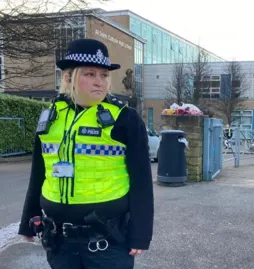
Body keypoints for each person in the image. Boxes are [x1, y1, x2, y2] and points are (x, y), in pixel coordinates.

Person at [17, 38, 154, 269]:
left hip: (107, 240)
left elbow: (141, 181)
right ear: (69, 77)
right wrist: (27, 218)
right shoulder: (50, 117)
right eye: (90, 74)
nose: (100, 82)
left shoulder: (124, 118)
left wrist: (141, 233)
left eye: (104, 75)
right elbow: (39, 172)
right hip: (58, 240)